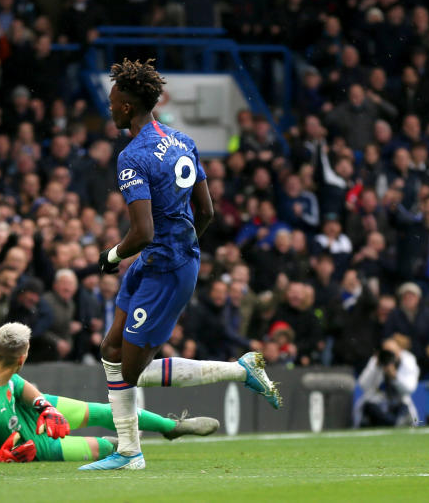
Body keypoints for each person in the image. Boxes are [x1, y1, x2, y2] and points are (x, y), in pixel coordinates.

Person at [82, 59, 281, 471]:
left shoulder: (132, 157)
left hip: (164, 268)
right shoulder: (181, 140)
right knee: (110, 351)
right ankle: (128, 451)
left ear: (127, 107)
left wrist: (111, 256)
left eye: (114, 101)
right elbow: (205, 211)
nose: (110, 108)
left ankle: (239, 370)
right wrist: (183, 247)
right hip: (169, 261)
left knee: (130, 371)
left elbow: (141, 233)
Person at [0, 323, 219, 464]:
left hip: (27, 409)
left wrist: (42, 405)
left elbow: (15, 383)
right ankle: (114, 447)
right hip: (26, 445)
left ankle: (172, 427)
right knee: (103, 447)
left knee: (104, 411)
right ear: (22, 359)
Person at [354, 335, 420, 427]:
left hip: (398, 403)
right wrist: (375, 367)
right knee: (371, 407)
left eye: (391, 352)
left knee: (403, 409)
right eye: (386, 352)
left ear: (399, 351)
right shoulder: (376, 361)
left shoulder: (408, 360)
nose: (388, 356)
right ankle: (395, 423)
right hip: (378, 404)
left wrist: (395, 377)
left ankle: (396, 422)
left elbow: (410, 389)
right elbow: (362, 385)